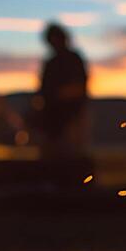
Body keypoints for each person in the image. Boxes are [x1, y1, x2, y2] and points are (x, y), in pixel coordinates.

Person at [34, 22, 89, 159]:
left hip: (71, 116)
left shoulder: (73, 59)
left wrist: (58, 95)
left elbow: (78, 88)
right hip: (51, 118)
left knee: (71, 155)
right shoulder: (50, 63)